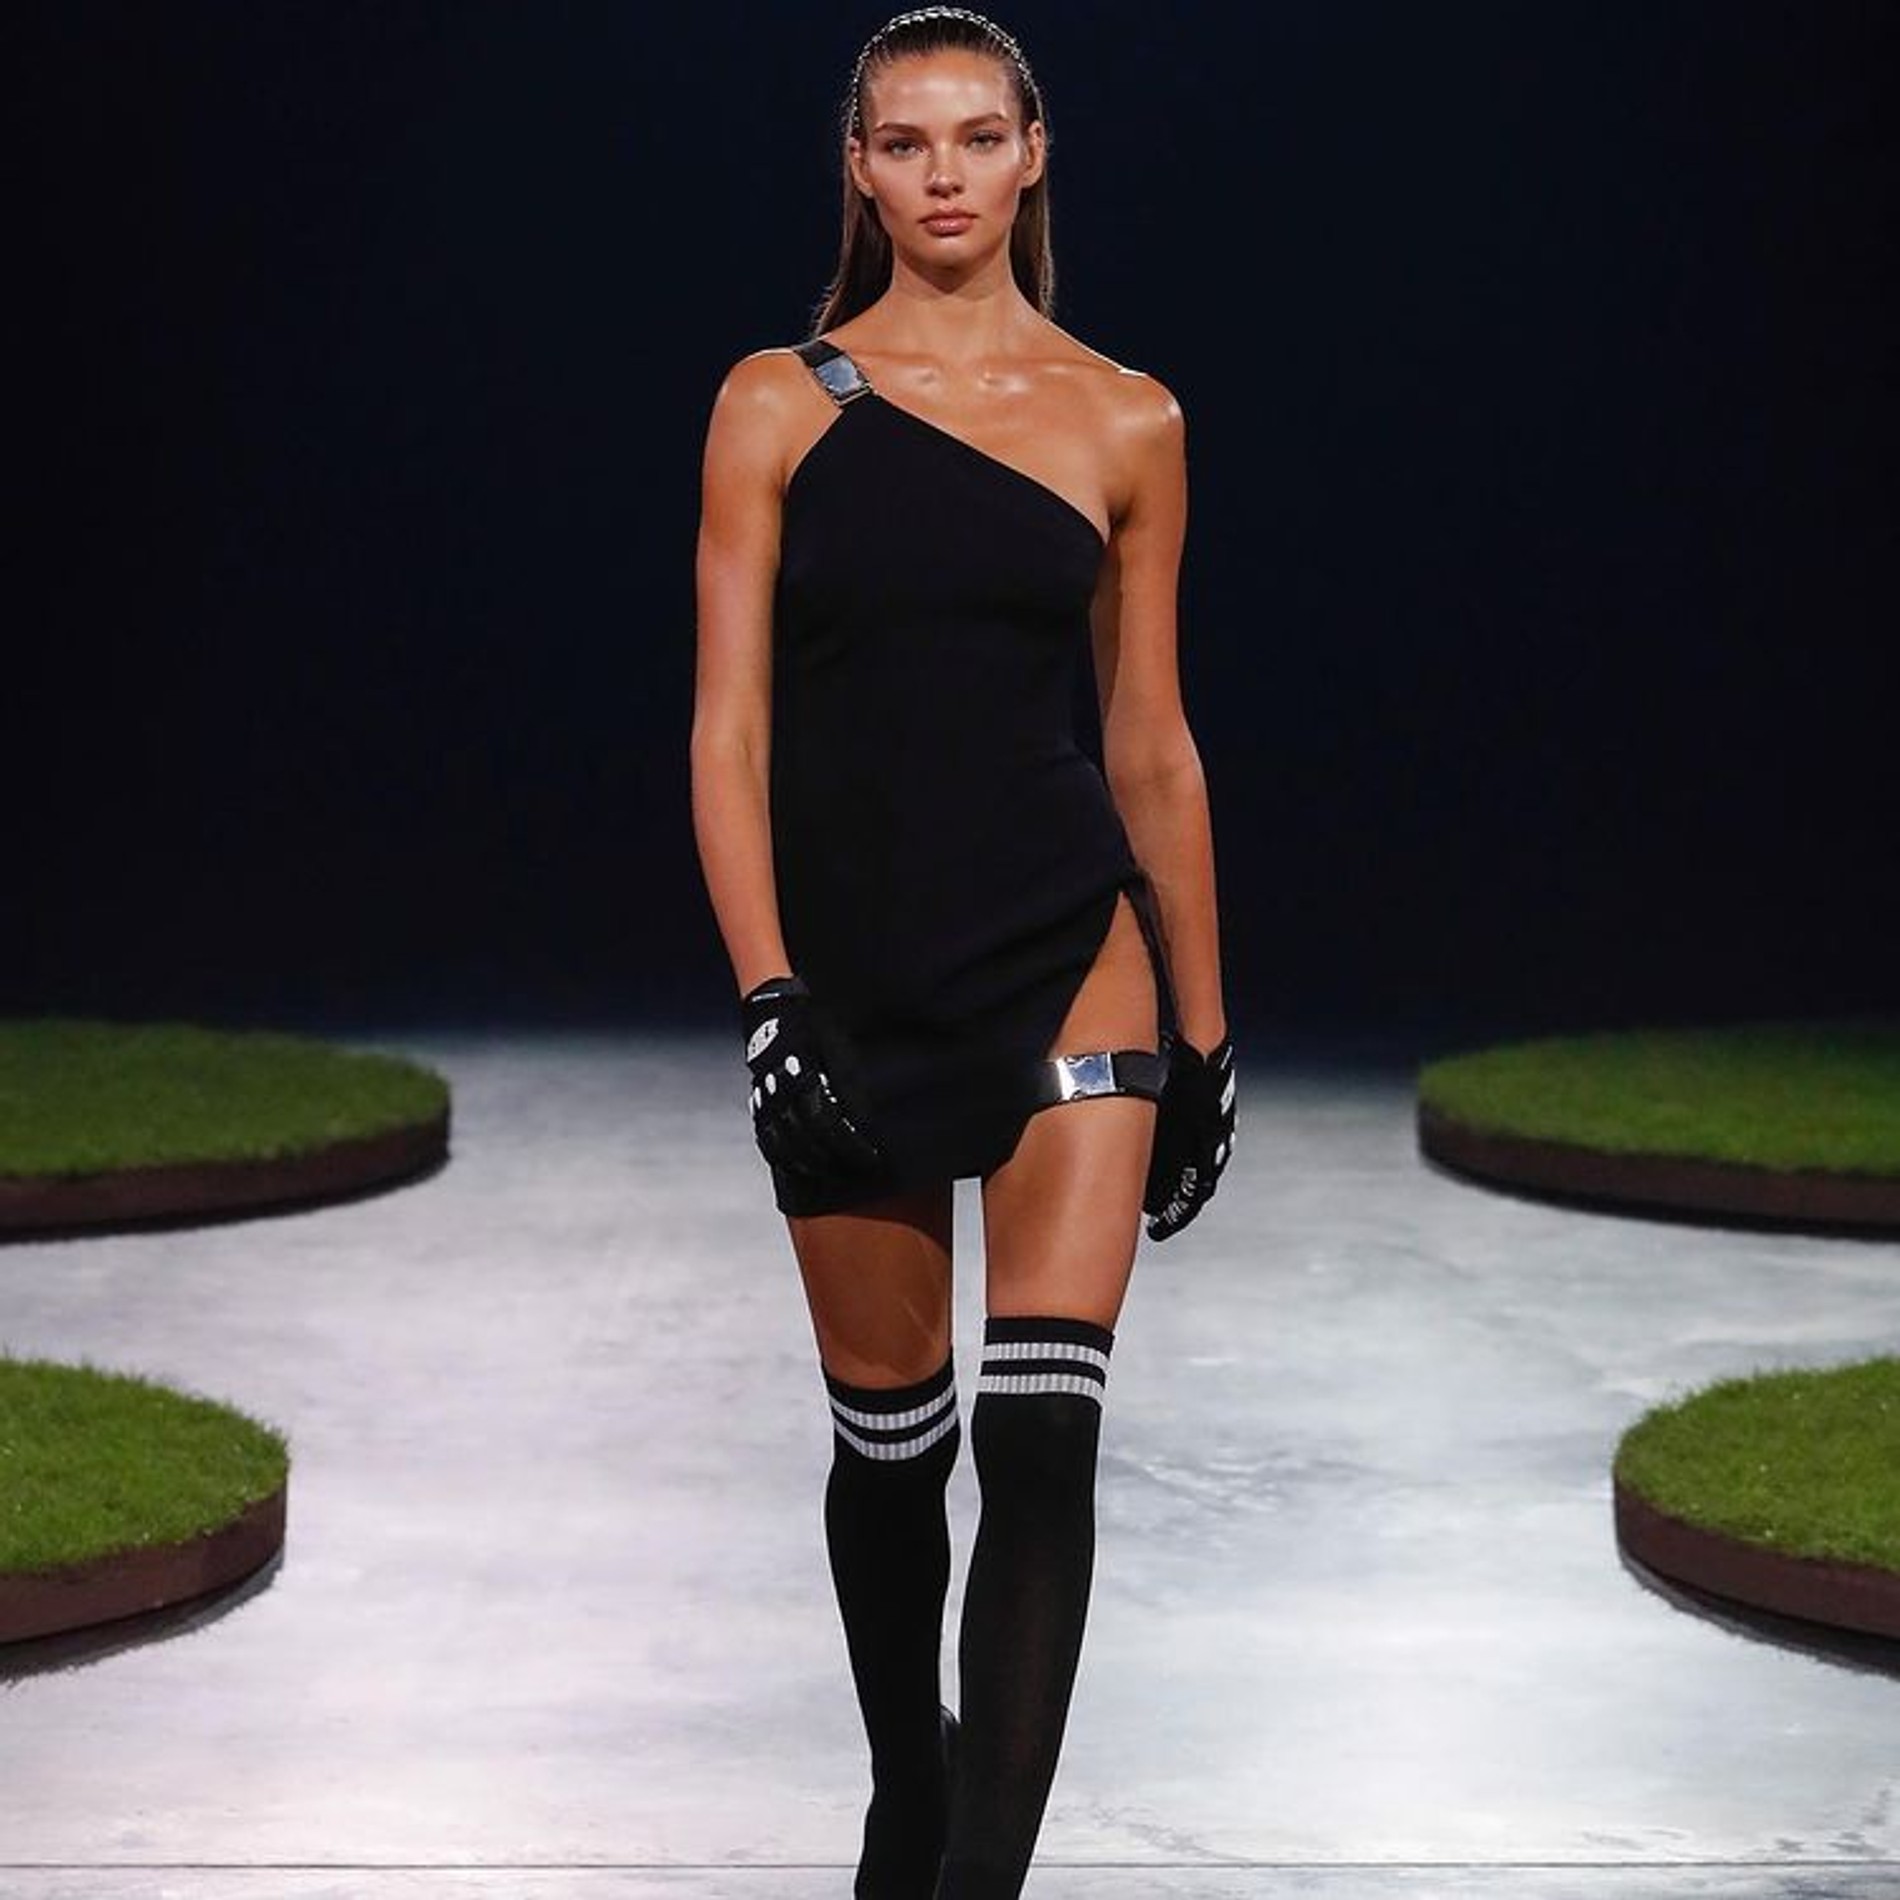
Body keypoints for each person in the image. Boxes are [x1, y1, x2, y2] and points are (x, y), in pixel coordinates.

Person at [689, 9, 1234, 1893]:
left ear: (1031, 156)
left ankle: (977, 1878)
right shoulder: (776, 405)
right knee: (891, 1455)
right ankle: (907, 1798)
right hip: (853, 973)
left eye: (978, 137)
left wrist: (1209, 1035)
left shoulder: (1127, 416)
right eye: (907, 142)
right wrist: (769, 999)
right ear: (860, 168)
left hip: (1072, 943)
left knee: (1047, 1450)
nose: (944, 174)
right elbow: (729, 733)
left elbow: (1150, 743)